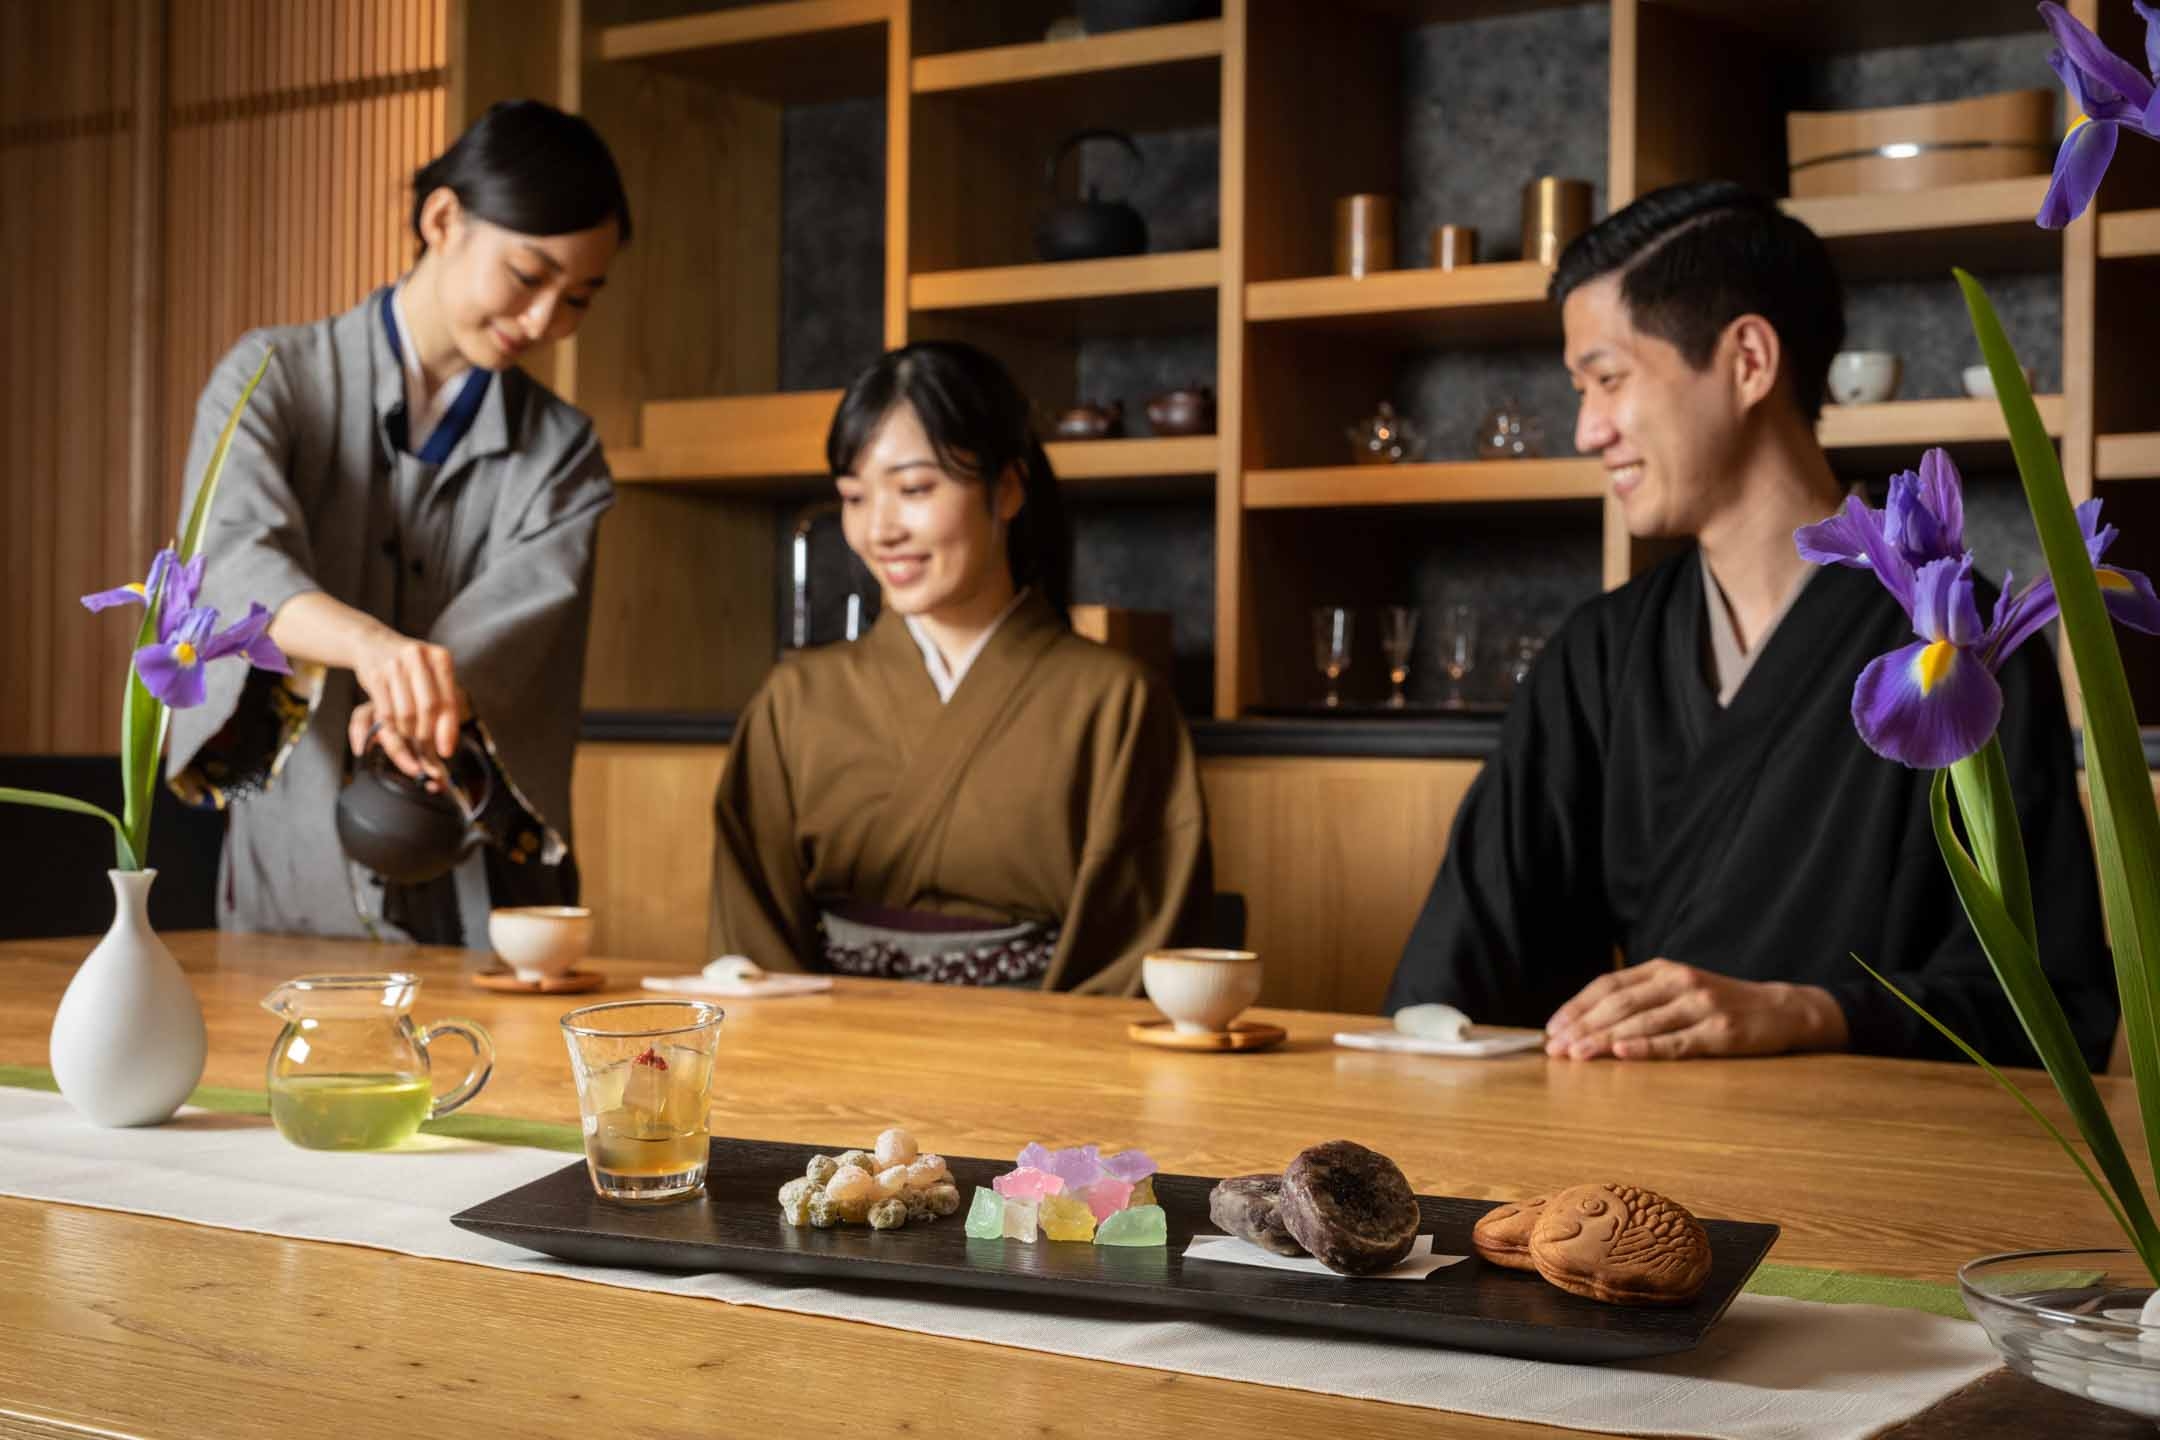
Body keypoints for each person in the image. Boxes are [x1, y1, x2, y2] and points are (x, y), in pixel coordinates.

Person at [1384, 180, 2116, 1068]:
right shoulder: (1598, 655)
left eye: (1608, 379)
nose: (1587, 430)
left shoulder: (1962, 649)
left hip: (1872, 1146)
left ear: (1748, 362)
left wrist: (1807, 1013)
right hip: (1631, 1138)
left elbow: (2051, 1007)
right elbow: (1460, 971)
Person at [167, 100, 630, 947]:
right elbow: (232, 560)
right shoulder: (271, 380)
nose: (544, 322)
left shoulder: (563, 453)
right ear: (442, 219)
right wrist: (373, 651)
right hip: (290, 871)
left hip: (480, 883)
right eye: (527, 277)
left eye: (577, 300)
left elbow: (521, 630)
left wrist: (415, 698)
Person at [708, 341, 1213, 992]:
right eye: (855, 497)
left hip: (1044, 1050)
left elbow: (1134, 954)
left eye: (914, 489)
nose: (879, 530)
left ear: (1007, 489)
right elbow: (752, 945)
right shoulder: (794, 699)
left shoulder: (1117, 703)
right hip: (827, 1045)